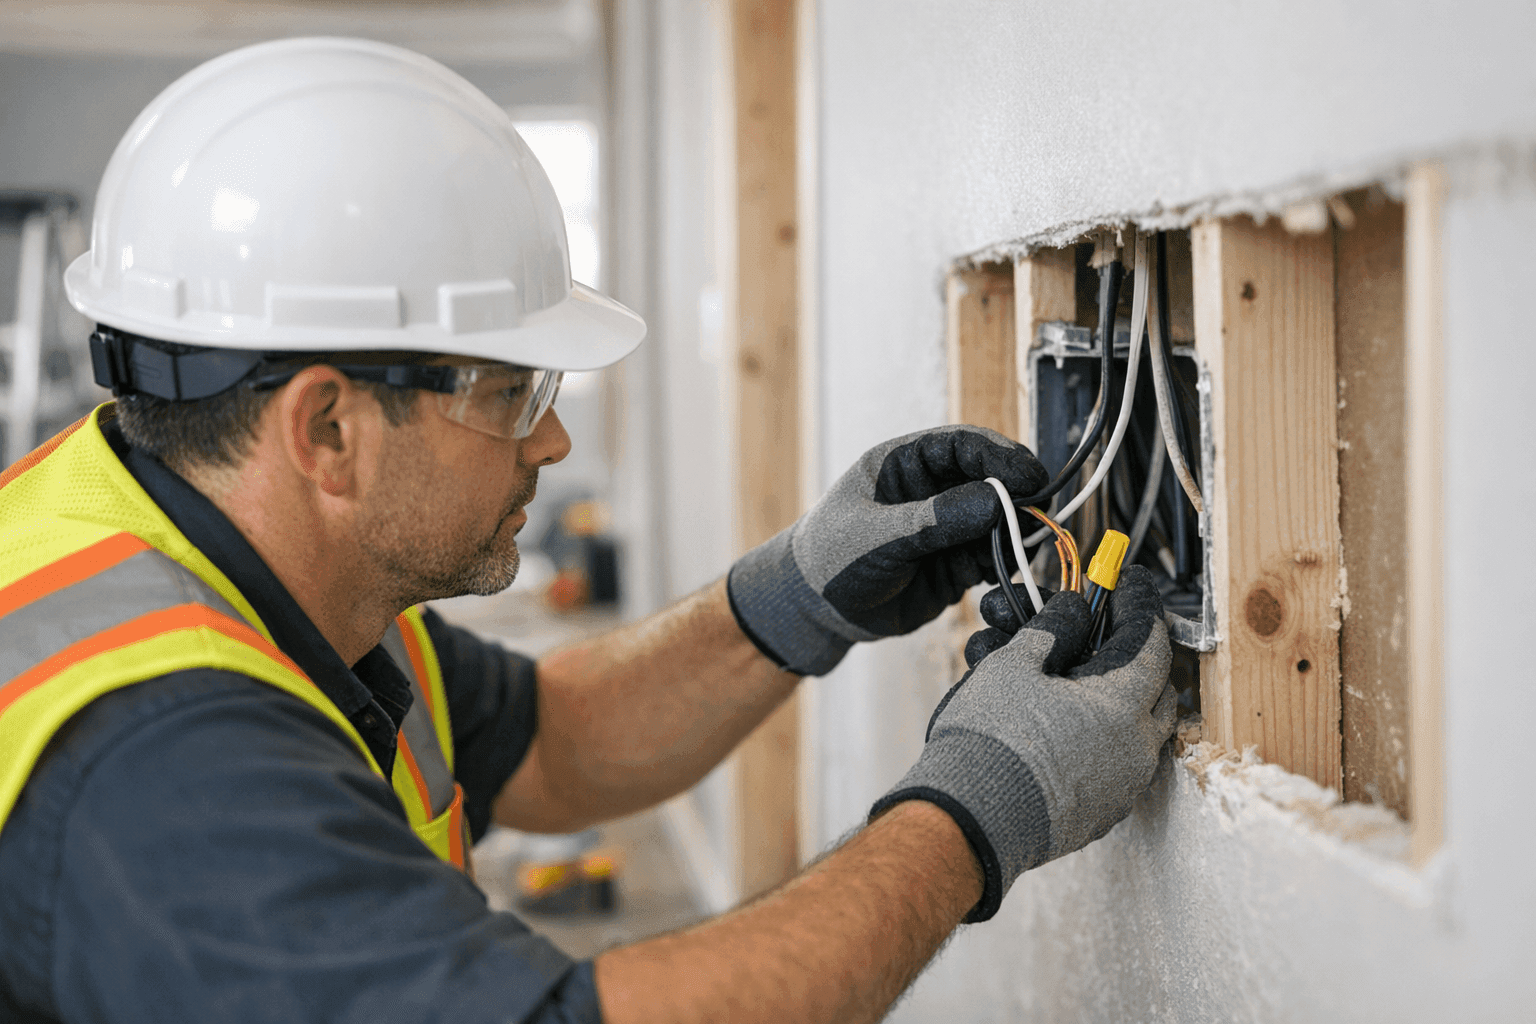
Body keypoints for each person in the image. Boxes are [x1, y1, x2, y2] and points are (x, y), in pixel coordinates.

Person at [0, 38, 1176, 1024]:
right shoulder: (162, 768)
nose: (552, 445)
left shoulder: (203, 539)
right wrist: (979, 805)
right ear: (327, 429)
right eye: (512, 394)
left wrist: (798, 592)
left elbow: (544, 742)